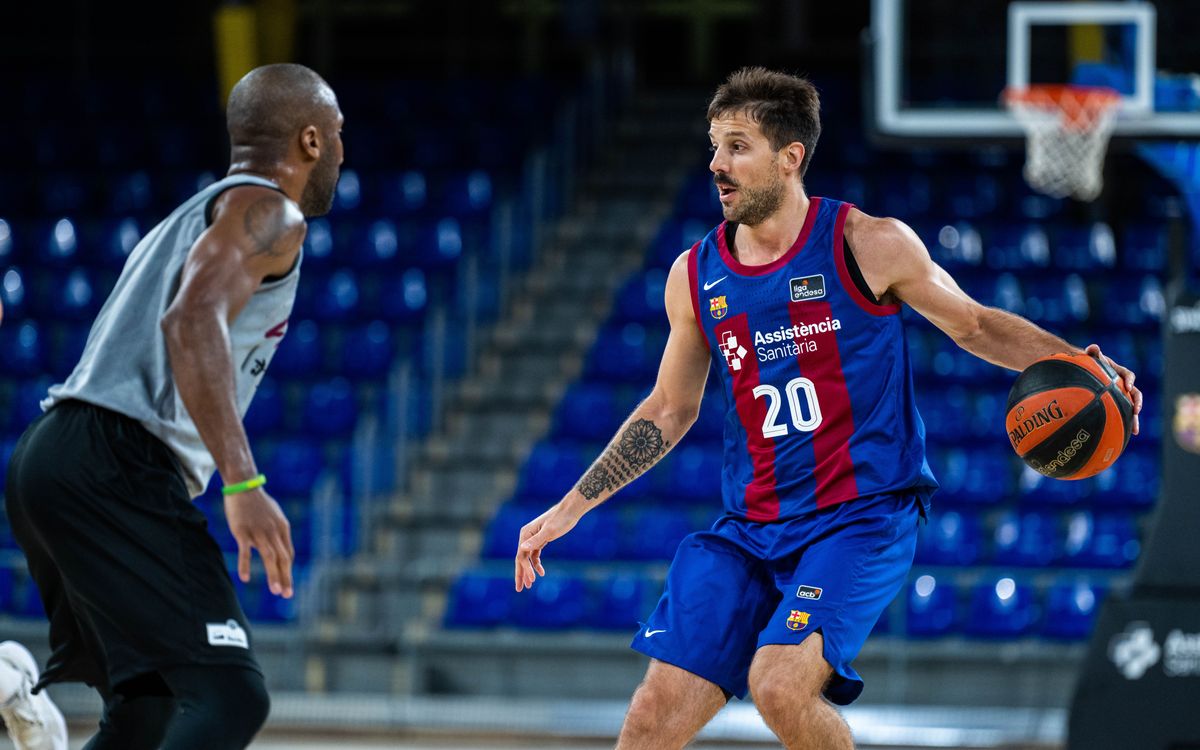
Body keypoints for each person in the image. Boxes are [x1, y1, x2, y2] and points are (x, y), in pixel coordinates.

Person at [514, 67, 1143, 750]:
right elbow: (668, 409)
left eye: (736, 147)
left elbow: (975, 325)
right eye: (715, 146)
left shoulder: (867, 243)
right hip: (751, 527)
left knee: (780, 685)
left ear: (790, 157)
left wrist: (1080, 366)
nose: (716, 164)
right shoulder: (693, 276)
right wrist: (570, 508)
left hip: (860, 517)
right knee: (649, 717)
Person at [4, 63, 343, 750]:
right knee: (231, 695)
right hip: (114, 459)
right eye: (338, 133)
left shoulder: (194, 215)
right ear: (310, 140)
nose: (342, 150)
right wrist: (243, 483)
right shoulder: (270, 212)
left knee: (148, 710)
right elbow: (190, 321)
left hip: (52, 456)